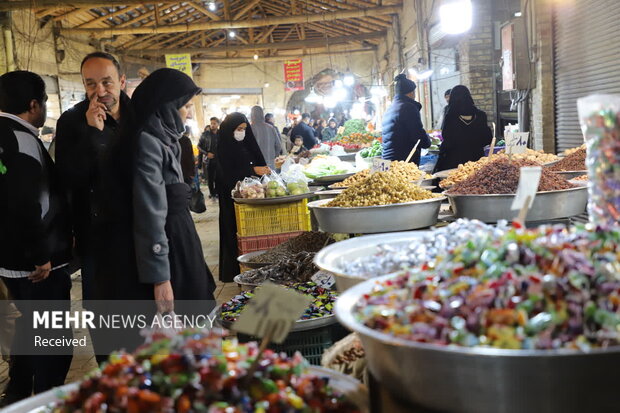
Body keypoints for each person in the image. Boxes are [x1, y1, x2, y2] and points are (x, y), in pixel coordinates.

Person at [0, 71, 73, 406]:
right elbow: (26, 203)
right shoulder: (23, 140)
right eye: (44, 101)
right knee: (52, 341)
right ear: (34, 105)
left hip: (8, 261)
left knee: (27, 332)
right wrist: (41, 255)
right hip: (36, 265)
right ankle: (48, 400)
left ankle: (17, 393)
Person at [130, 68, 216, 304]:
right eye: (186, 106)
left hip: (182, 236)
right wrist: (160, 278)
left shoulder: (168, 140)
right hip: (170, 244)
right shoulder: (147, 143)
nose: (188, 114)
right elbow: (150, 214)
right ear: (167, 106)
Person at [55, 52, 131, 303]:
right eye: (90, 84)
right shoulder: (71, 122)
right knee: (104, 310)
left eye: (106, 82)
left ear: (121, 81)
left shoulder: (139, 115)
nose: (99, 90)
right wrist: (92, 134)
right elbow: (69, 178)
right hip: (96, 235)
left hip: (139, 228)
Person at [216, 112, 269, 282]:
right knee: (234, 231)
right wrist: (252, 171)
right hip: (230, 198)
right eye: (238, 129)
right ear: (230, 129)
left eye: (244, 129)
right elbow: (226, 175)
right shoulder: (224, 146)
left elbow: (255, 159)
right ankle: (233, 269)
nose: (242, 132)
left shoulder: (246, 143)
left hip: (250, 197)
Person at [434, 85, 493, 172]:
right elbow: (487, 139)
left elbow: (447, 139)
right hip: (476, 162)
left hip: (454, 163)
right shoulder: (481, 115)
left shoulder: (450, 116)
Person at [381, 74, 431, 164]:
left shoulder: (389, 109)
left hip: (386, 162)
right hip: (401, 163)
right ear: (411, 93)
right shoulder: (408, 107)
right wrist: (428, 141)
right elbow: (418, 135)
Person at [250, 105, 281, 170]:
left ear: (252, 115)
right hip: (271, 165)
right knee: (271, 180)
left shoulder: (250, 129)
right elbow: (278, 145)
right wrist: (273, 157)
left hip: (256, 167)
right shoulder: (271, 128)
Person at [198, 117, 219, 198]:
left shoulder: (220, 134)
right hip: (209, 160)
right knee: (210, 177)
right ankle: (212, 192)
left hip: (219, 160)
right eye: (211, 123)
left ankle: (217, 191)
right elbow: (199, 146)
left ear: (218, 124)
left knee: (218, 177)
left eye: (214, 123)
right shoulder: (205, 134)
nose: (212, 125)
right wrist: (206, 153)